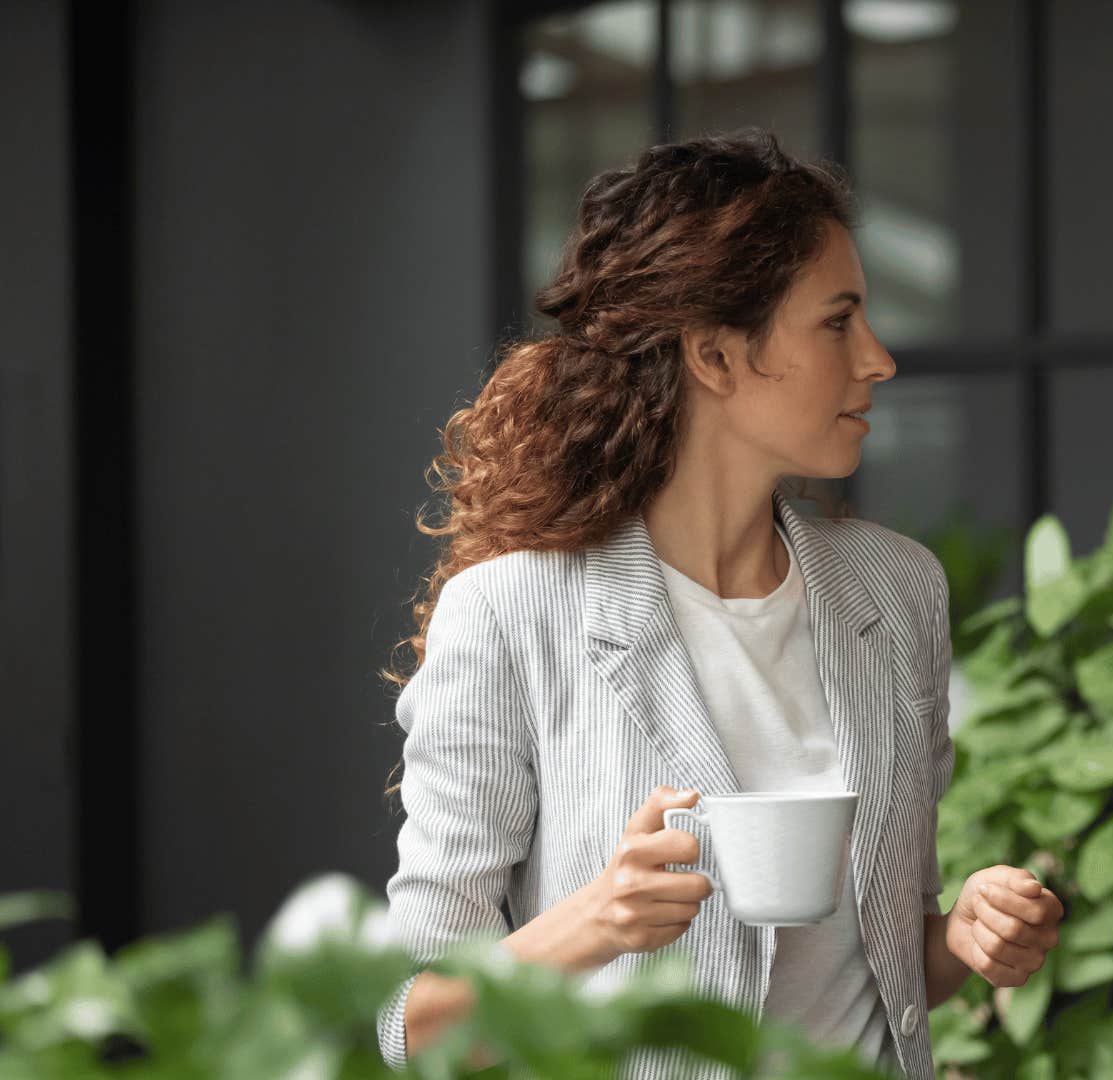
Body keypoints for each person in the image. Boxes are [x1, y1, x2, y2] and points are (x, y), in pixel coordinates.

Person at [377, 131, 1064, 1080]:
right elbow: (410, 1023)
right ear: (714, 354)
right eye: (838, 321)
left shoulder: (897, 591)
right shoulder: (511, 613)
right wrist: (593, 922)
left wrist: (967, 936)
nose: (878, 359)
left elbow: (883, 962)